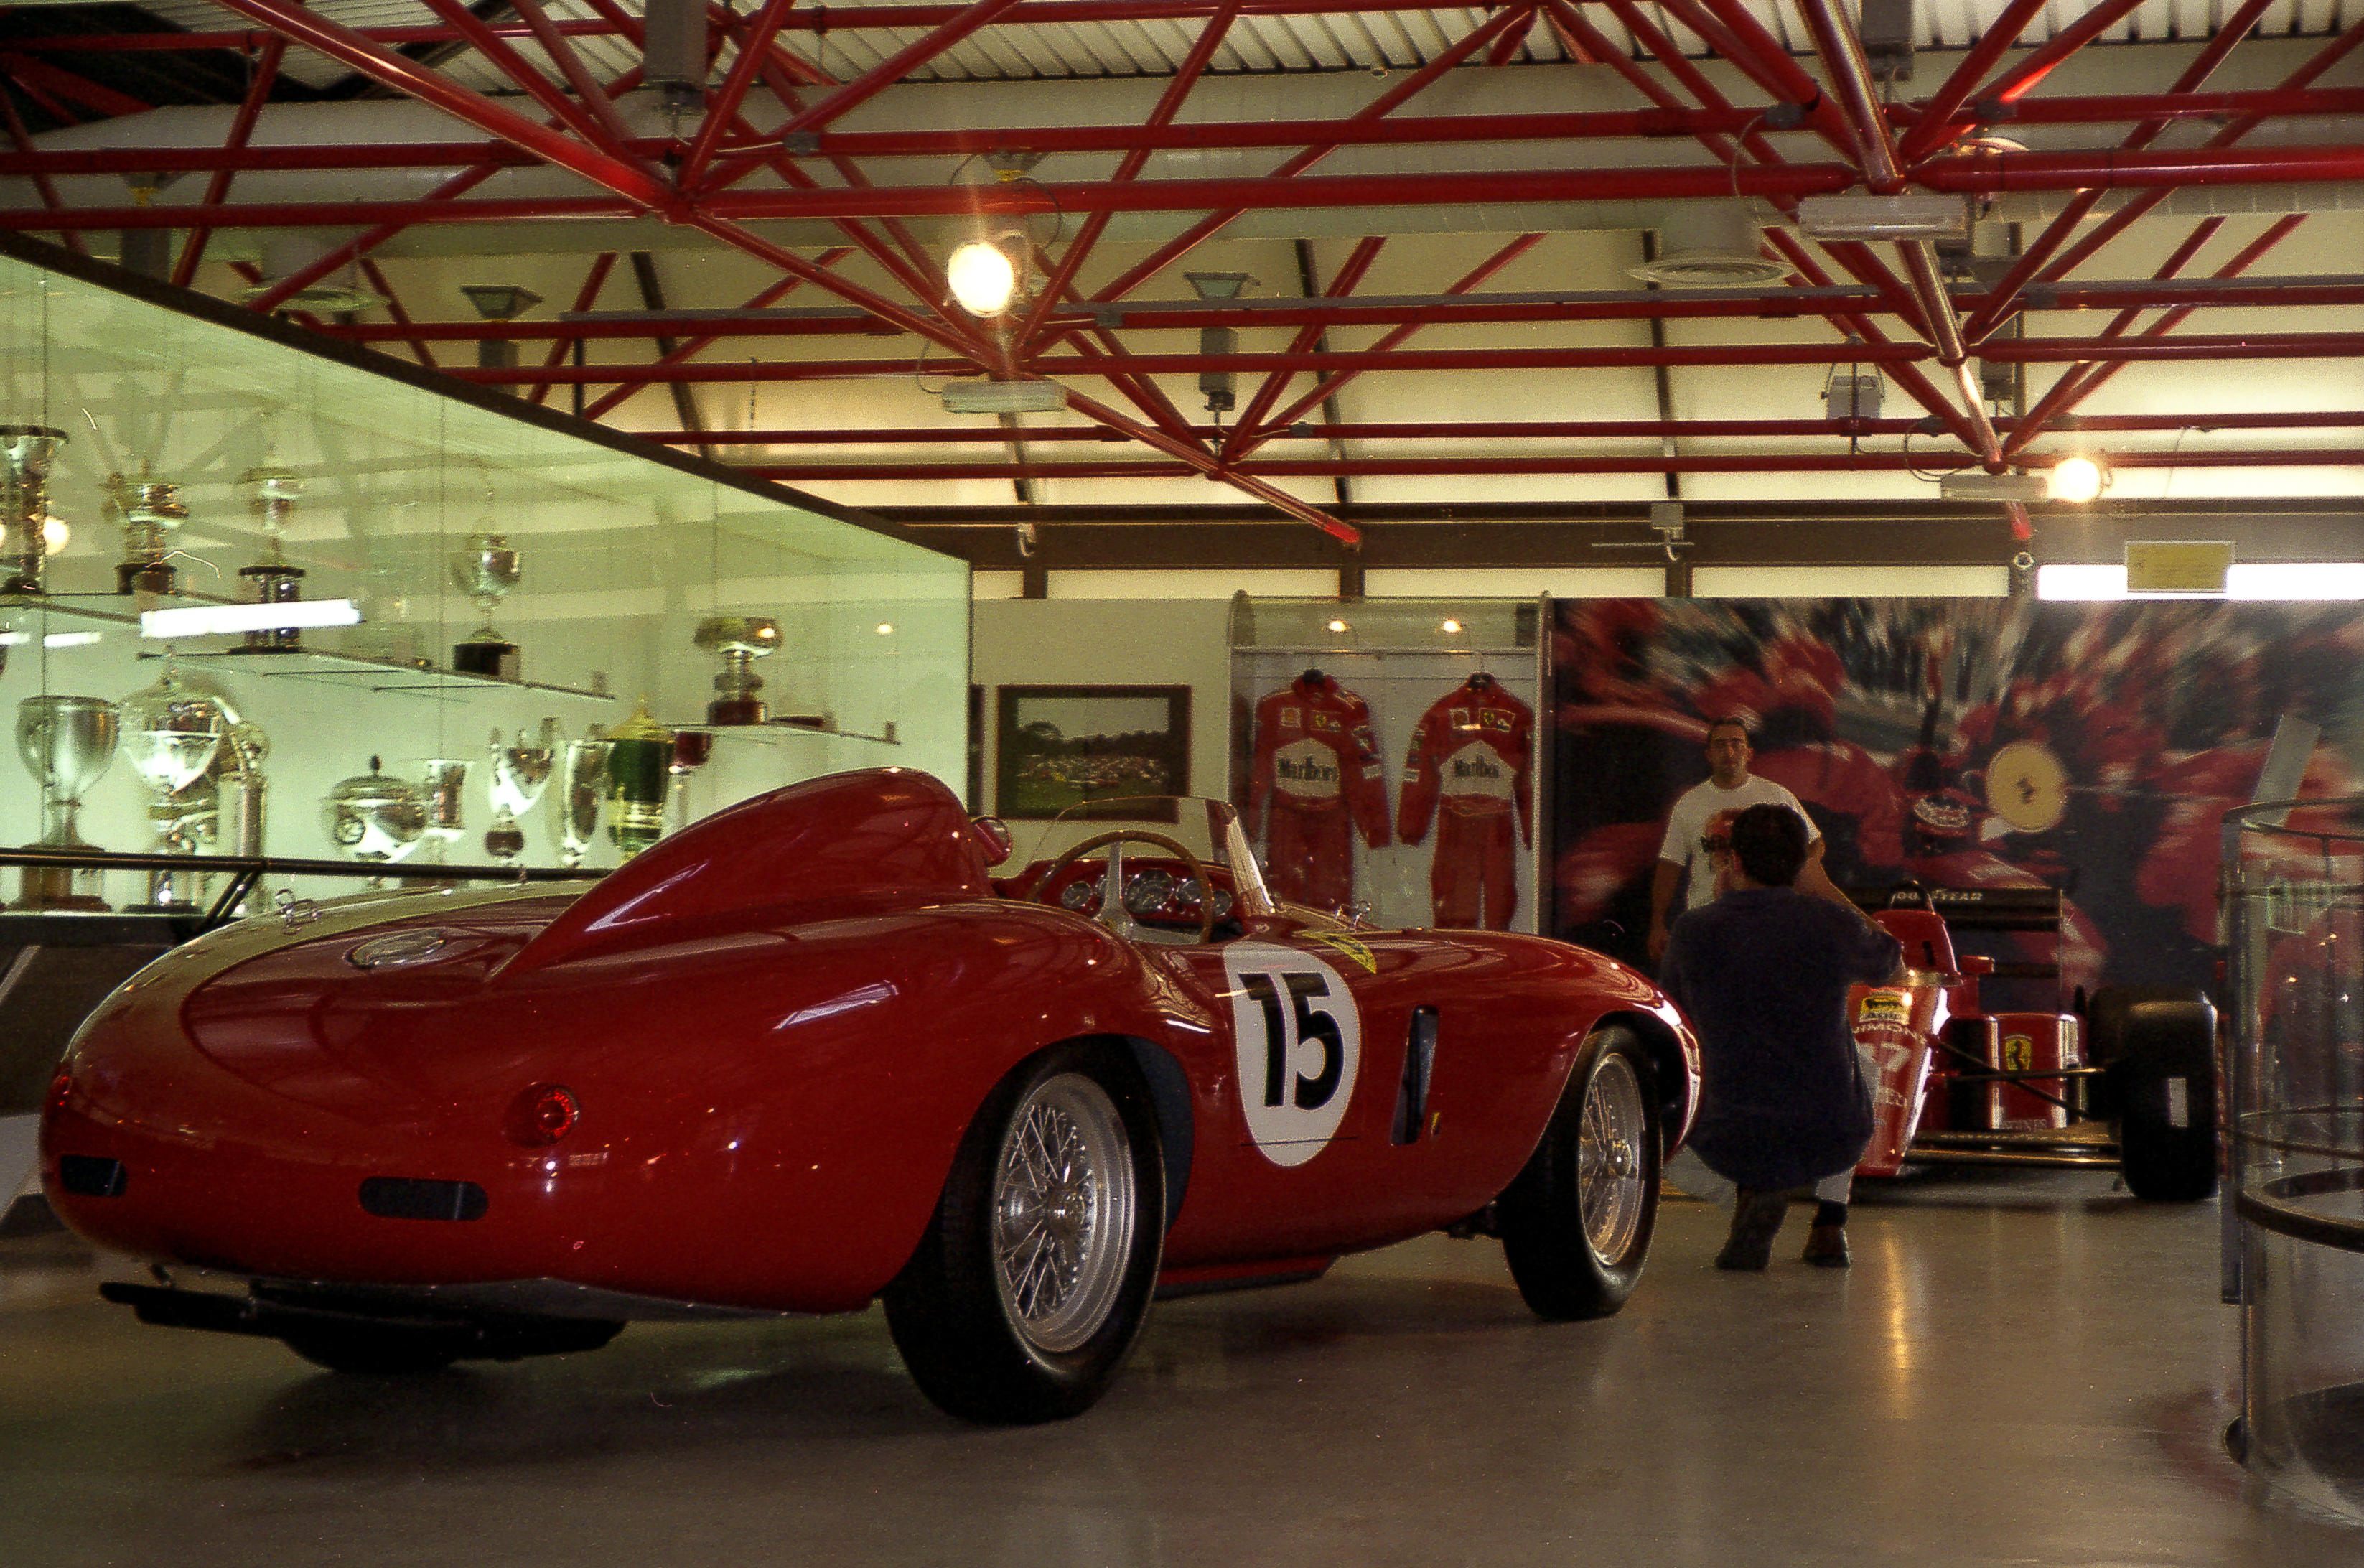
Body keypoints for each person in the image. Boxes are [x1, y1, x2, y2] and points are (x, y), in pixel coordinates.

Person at [1657, 804, 1904, 1271]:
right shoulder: (1832, 924)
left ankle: (1749, 1197)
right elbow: (1893, 964)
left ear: (1733, 861)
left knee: (1659, 1136)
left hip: (1726, 1133)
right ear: (1799, 865)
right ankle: (1830, 1222)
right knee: (1866, 1066)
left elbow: (1672, 1017)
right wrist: (1832, 899)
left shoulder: (1692, 930)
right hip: (1827, 1132)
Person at [1647, 716, 1856, 963]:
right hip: (1708, 924)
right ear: (1708, 754)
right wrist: (1658, 922)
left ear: (1749, 753)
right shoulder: (1689, 804)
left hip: (1767, 923)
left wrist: (1794, 878)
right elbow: (1670, 865)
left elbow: (1816, 844)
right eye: (1720, 744)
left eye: (1736, 743)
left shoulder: (1776, 796)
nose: (1729, 750)